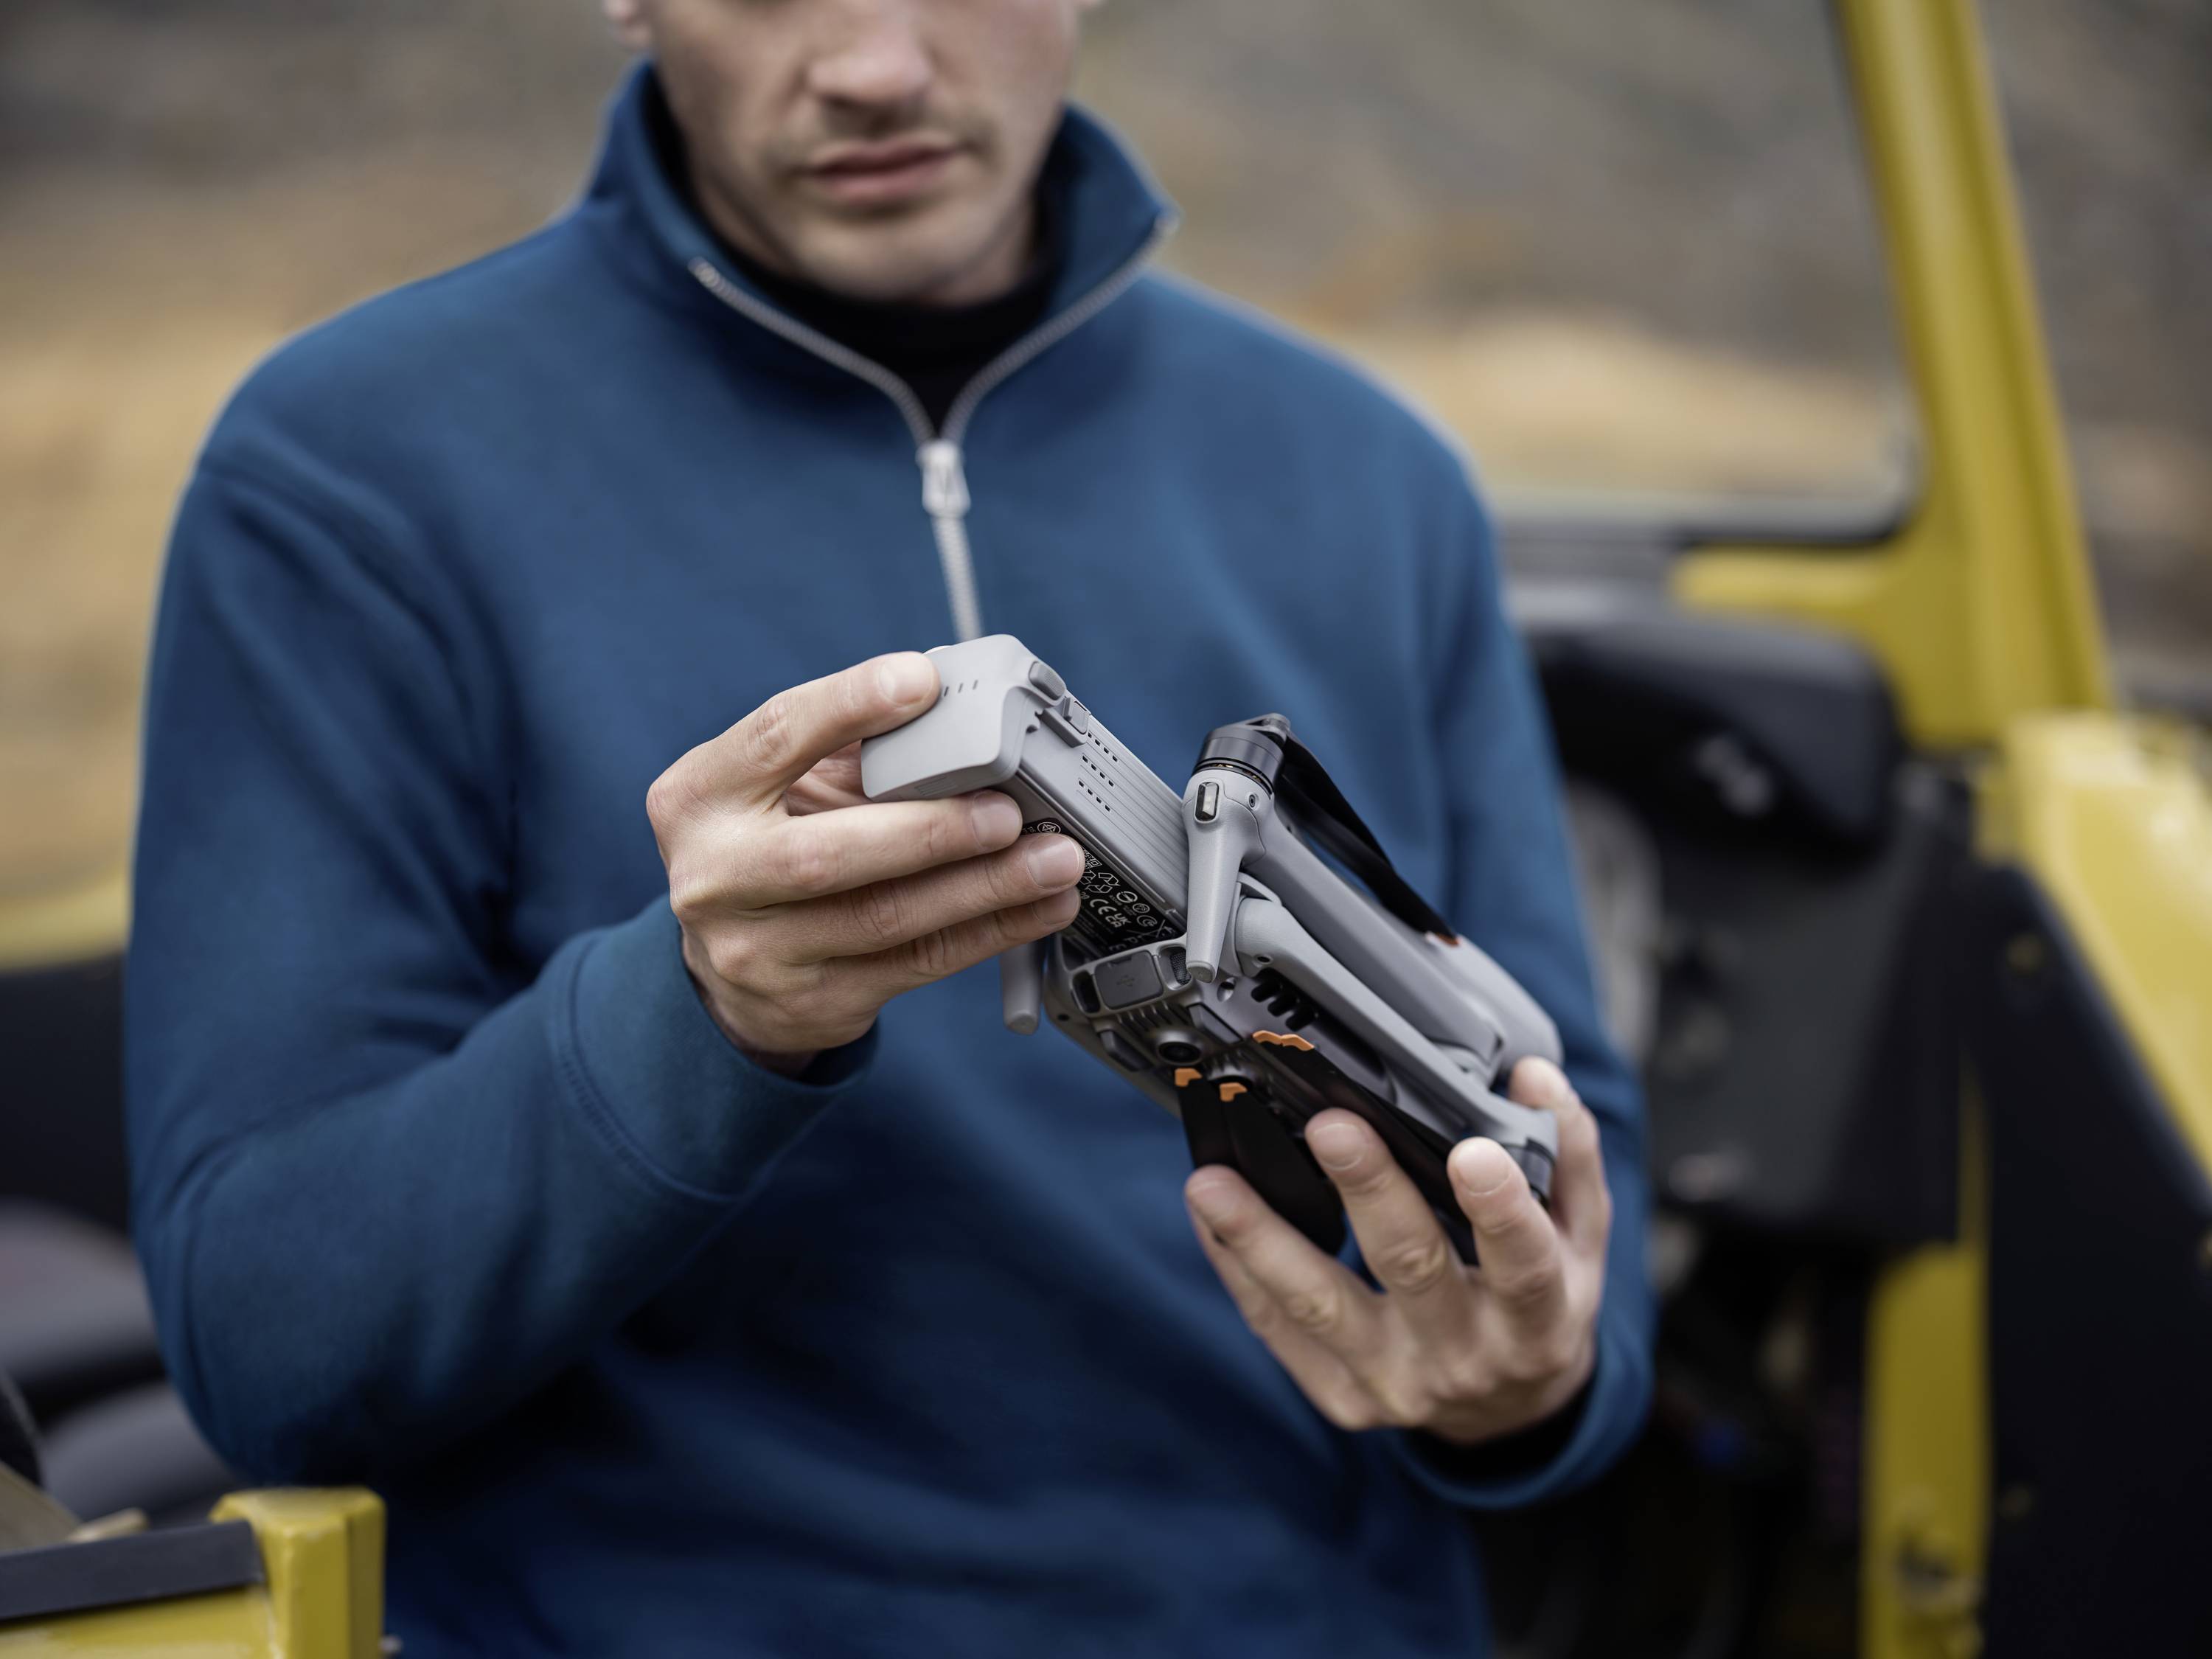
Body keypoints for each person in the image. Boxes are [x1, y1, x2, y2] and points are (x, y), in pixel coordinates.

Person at [126, 1, 1653, 1652]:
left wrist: (1526, 1379)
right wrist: (705, 1015)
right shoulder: (348, 473)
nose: (874, 65)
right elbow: (268, 1344)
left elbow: (1581, 1164)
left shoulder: (1376, 474)